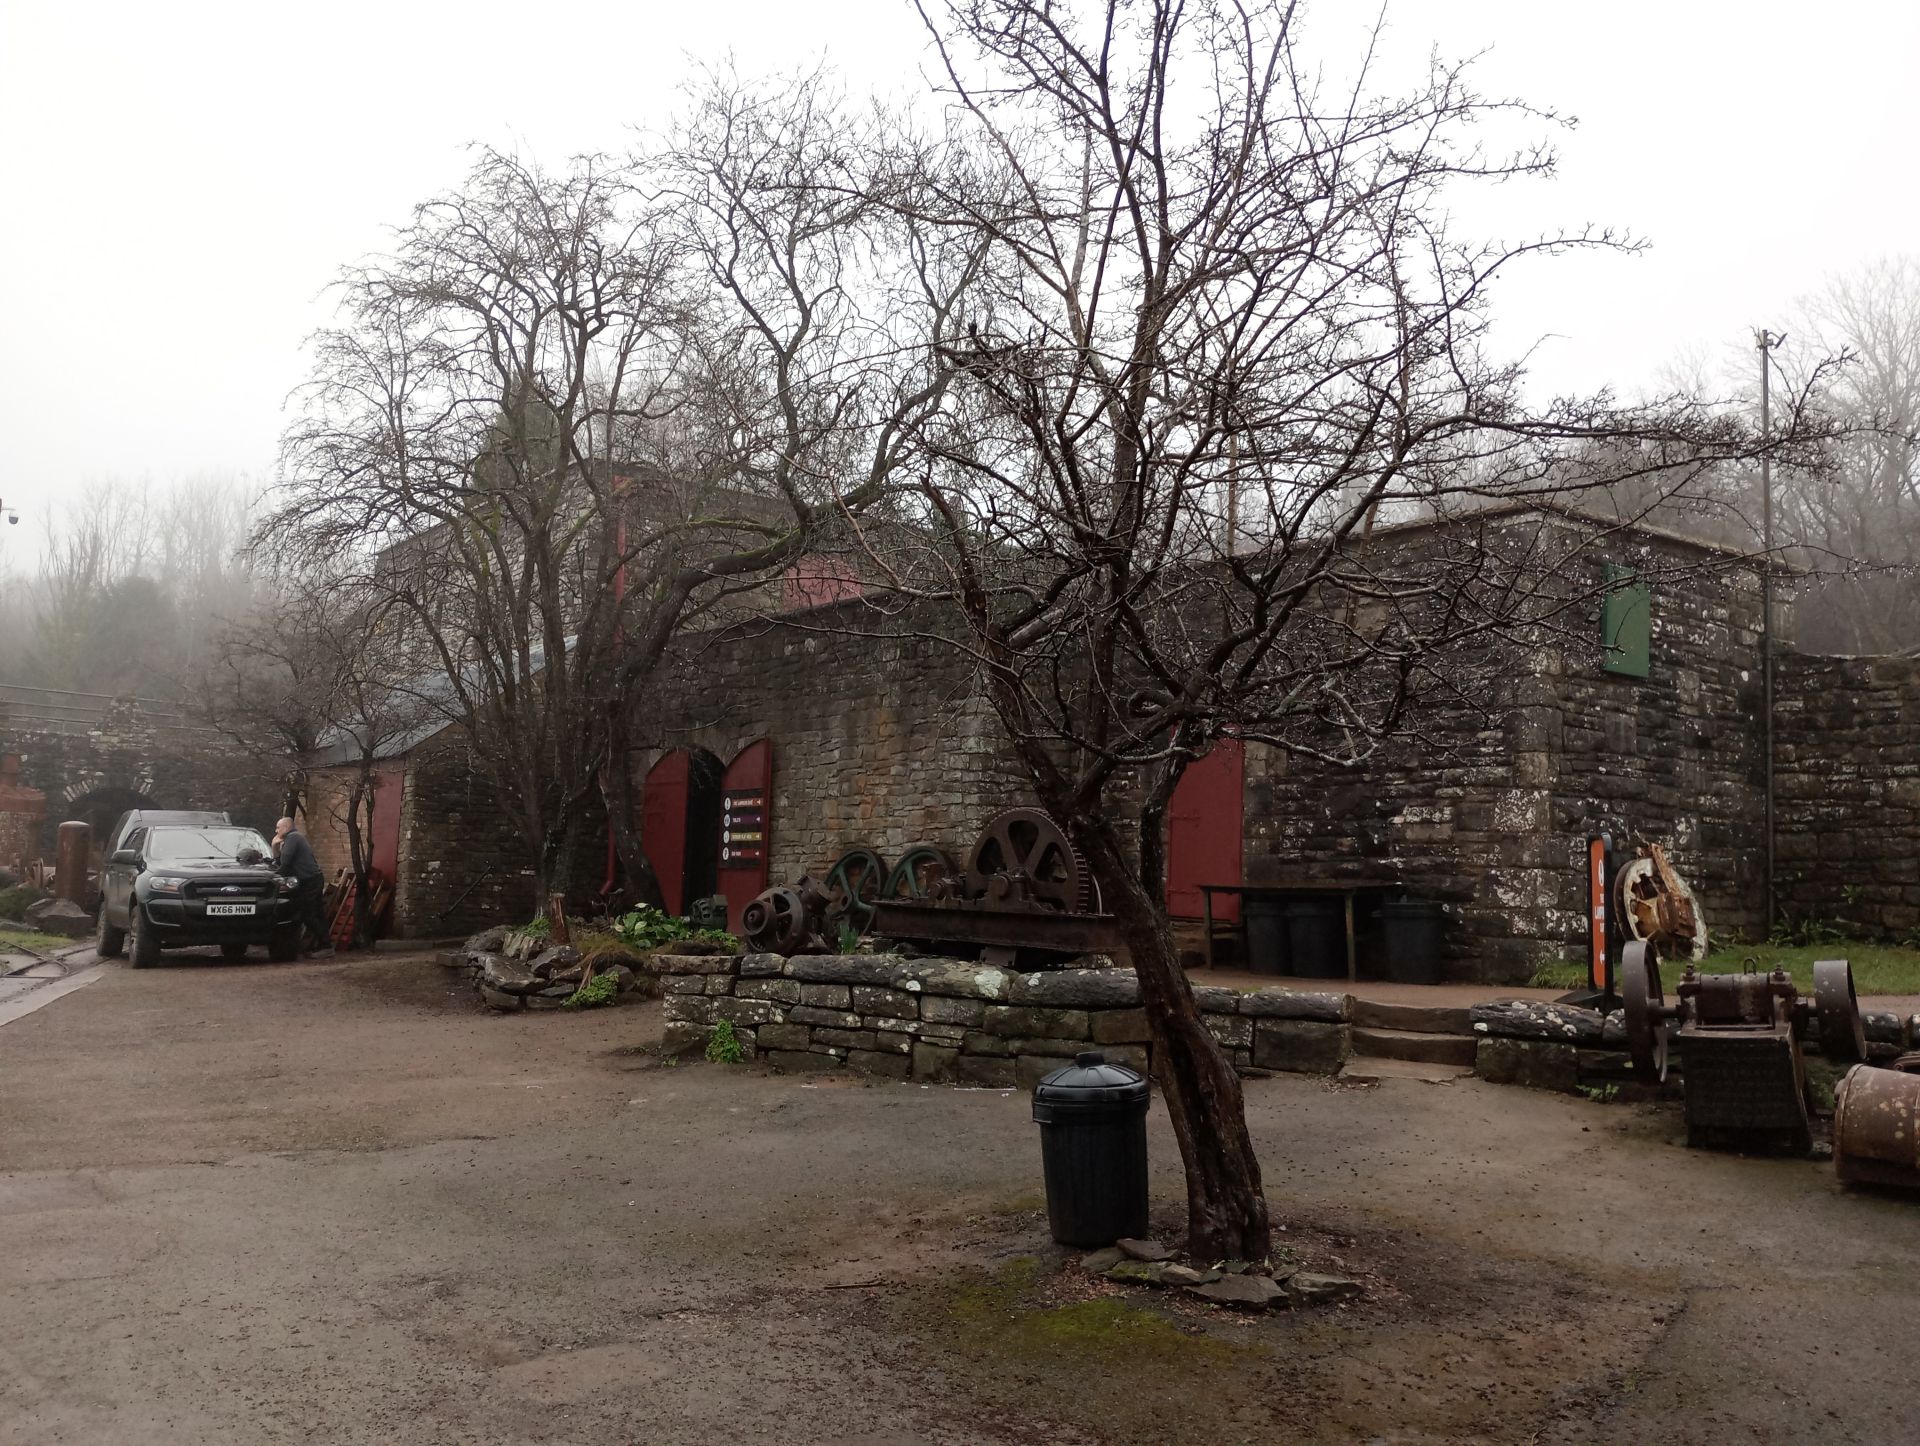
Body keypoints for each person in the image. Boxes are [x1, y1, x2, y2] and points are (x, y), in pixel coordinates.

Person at [272, 816, 334, 958]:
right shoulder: (295, 838)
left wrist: (273, 877)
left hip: (310, 881)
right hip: (314, 879)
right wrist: (274, 846)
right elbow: (280, 862)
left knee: (308, 914)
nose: (276, 830)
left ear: (286, 827)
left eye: (278, 827)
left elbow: (285, 864)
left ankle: (326, 946)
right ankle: (323, 945)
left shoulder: (293, 838)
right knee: (317, 913)